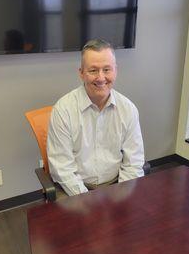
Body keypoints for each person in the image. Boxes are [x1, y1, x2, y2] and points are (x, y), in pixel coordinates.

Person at [47, 38, 145, 196]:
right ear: (81, 73)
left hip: (117, 185)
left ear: (115, 71)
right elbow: (62, 169)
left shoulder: (128, 109)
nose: (101, 78)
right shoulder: (63, 110)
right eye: (93, 70)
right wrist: (87, 200)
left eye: (107, 69)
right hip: (74, 190)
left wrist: (122, 195)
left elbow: (133, 163)